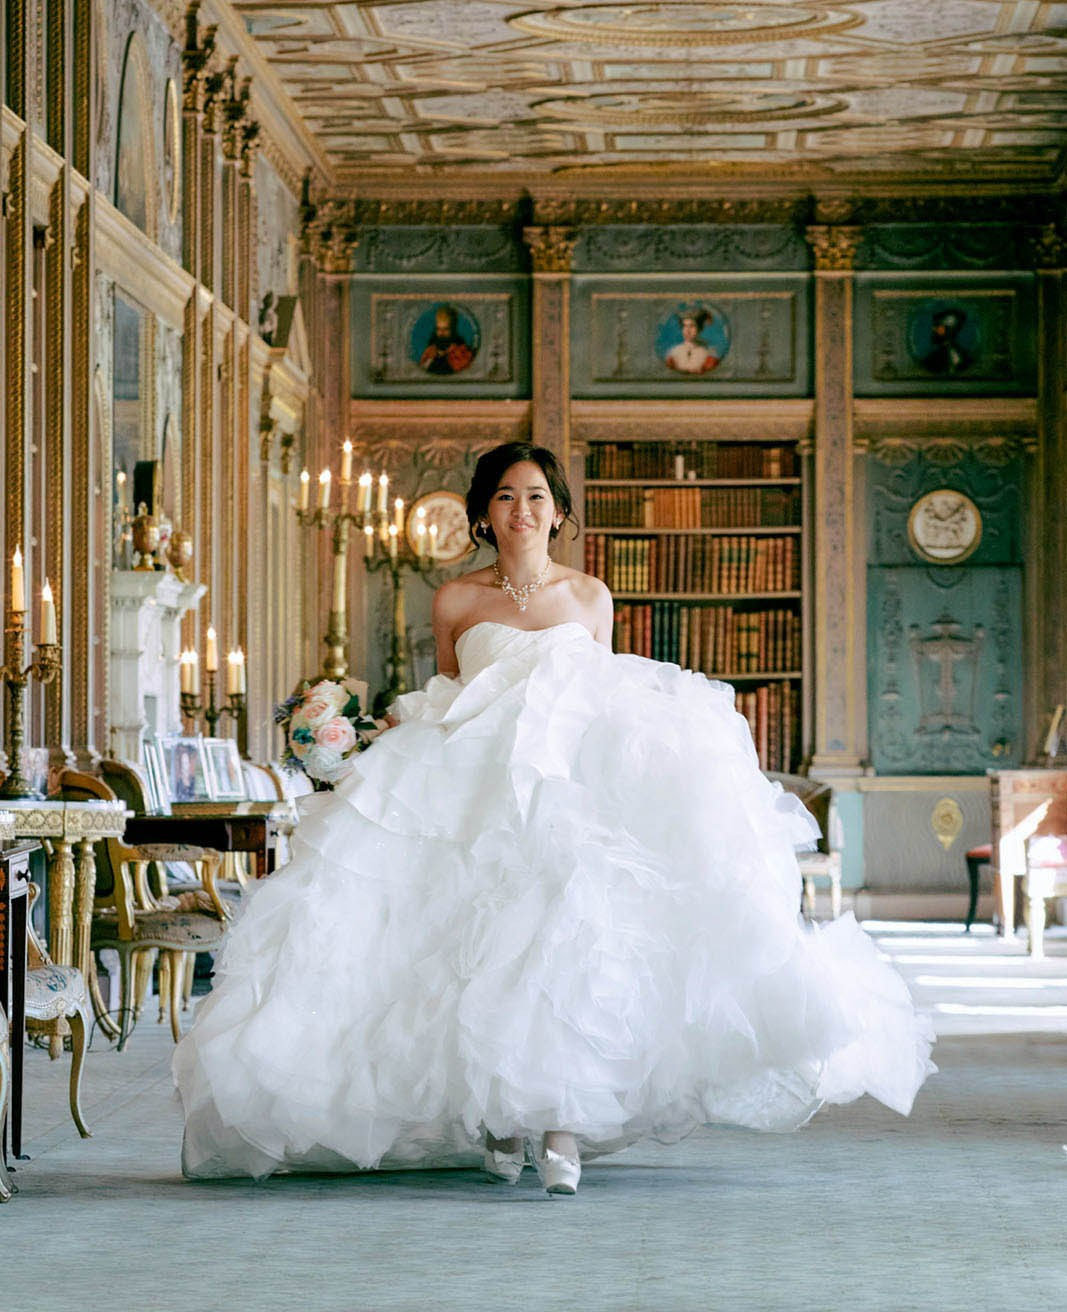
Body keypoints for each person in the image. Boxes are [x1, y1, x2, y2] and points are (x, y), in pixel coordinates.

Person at [175, 442, 934, 1194]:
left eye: (536, 495)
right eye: (505, 495)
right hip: (471, 787)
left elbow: (596, 697)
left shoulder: (588, 596)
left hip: (566, 786)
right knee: (470, 945)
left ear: (560, 511)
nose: (522, 509)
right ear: (482, 513)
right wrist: (365, 741)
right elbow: (446, 695)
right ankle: (499, 1117)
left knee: (563, 945)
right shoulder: (454, 600)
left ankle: (559, 1123)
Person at [419, 303, 474, 374]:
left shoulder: (462, 352)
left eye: (446, 329)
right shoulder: (430, 351)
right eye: (438, 329)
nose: (441, 333)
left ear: (453, 329)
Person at [665, 308, 720, 374]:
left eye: (692, 326)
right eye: (684, 326)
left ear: (700, 329)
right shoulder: (674, 352)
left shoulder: (708, 352)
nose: (687, 330)